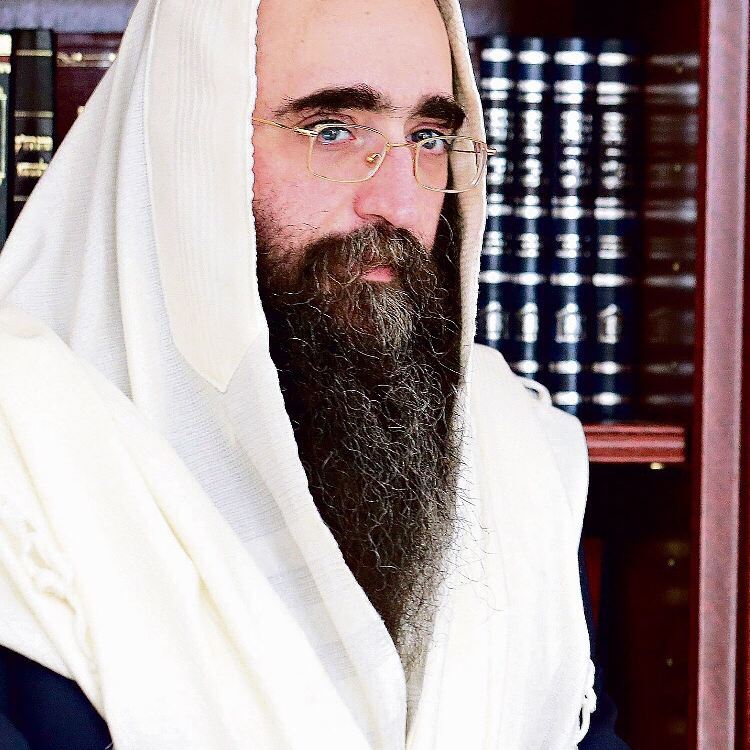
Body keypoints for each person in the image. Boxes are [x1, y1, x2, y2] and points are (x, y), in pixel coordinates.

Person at [0, 0, 628, 747]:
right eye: (332, 130)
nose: (400, 203)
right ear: (186, 143)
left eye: (429, 138)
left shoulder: (513, 456)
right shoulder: (21, 470)